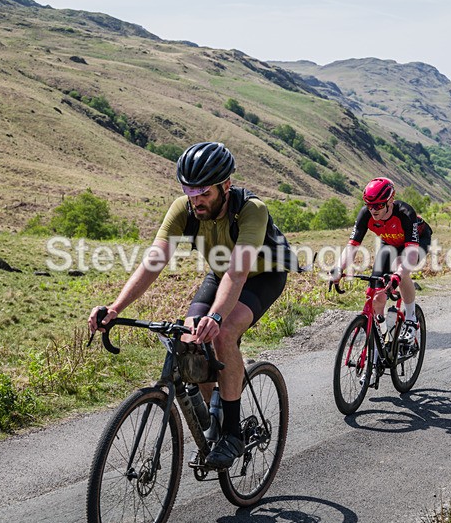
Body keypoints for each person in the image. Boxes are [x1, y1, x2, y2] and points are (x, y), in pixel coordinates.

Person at [88, 141, 298, 469]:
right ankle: (209, 406)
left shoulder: (251, 209)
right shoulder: (183, 209)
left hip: (262, 276)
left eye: (204, 193)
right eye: (189, 191)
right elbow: (154, 260)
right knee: (189, 341)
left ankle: (232, 434)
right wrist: (115, 308)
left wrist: (216, 315)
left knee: (222, 332)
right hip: (220, 274)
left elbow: (239, 270)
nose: (196, 200)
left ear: (225, 185)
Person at [330, 177, 432, 350]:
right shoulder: (366, 214)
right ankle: (384, 335)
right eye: (369, 205)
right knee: (376, 294)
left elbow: (411, 256)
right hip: (390, 244)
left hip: (417, 242)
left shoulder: (405, 213)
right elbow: (352, 247)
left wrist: (398, 276)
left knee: (401, 265)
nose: (373, 210)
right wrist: (339, 268)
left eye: (378, 205)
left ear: (390, 201)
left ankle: (410, 319)